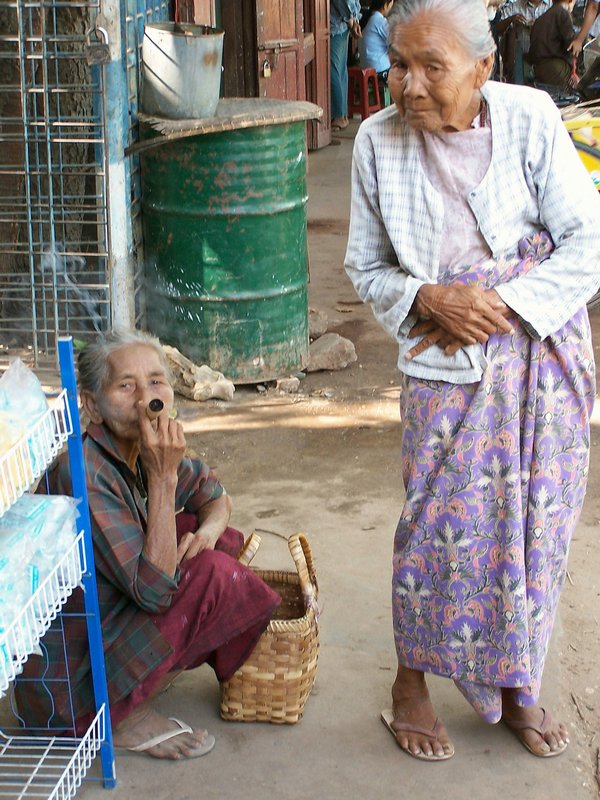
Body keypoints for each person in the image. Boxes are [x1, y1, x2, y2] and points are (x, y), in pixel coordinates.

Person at [345, 0, 600, 762]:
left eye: (433, 68)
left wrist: (499, 304)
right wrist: (428, 298)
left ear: (483, 69)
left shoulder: (527, 117)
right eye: (399, 65)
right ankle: (410, 684)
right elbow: (364, 265)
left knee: (536, 524)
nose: (411, 86)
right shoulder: (374, 141)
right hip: (441, 358)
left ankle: (519, 680)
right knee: (434, 527)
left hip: (539, 354)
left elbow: (587, 240)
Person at [15, 330, 280, 760]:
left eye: (156, 382)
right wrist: (162, 478)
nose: (147, 397)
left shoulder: (141, 447)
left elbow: (215, 496)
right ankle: (121, 717)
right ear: (90, 405)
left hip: (113, 623)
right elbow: (155, 592)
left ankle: (142, 679)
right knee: (213, 574)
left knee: (218, 541)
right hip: (69, 687)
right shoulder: (83, 472)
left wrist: (208, 532)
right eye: (126, 385)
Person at [497, 0, 551, 82]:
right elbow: (496, 29)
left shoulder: (552, 6)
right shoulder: (515, 6)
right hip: (520, 58)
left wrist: (539, 26)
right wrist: (511, 20)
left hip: (546, 58)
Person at [527, 0, 577, 87]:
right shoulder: (563, 13)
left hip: (537, 68)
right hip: (555, 69)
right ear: (571, 1)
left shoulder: (541, 18)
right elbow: (571, 45)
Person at [330, 0, 362, 130]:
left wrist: (351, 21)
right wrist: (354, 21)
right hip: (343, 25)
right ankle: (342, 115)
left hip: (336, 26)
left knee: (334, 71)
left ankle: (339, 116)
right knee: (340, 71)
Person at [358, 0, 395, 77]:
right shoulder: (380, 21)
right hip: (379, 72)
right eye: (391, 5)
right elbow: (397, 42)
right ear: (386, 5)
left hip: (366, 69)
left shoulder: (369, 18)